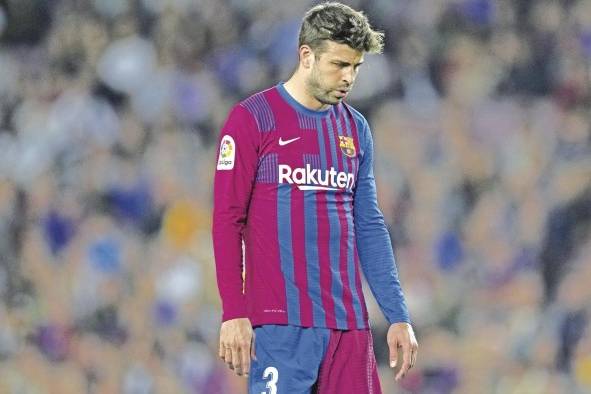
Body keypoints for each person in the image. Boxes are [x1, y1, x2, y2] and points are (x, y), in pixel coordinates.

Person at [212, 2, 418, 393]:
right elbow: (227, 219)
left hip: (348, 327)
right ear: (307, 55)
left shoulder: (355, 129)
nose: (349, 77)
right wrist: (233, 312)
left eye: (356, 67)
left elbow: (369, 225)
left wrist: (397, 314)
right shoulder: (253, 119)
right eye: (339, 64)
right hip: (280, 326)